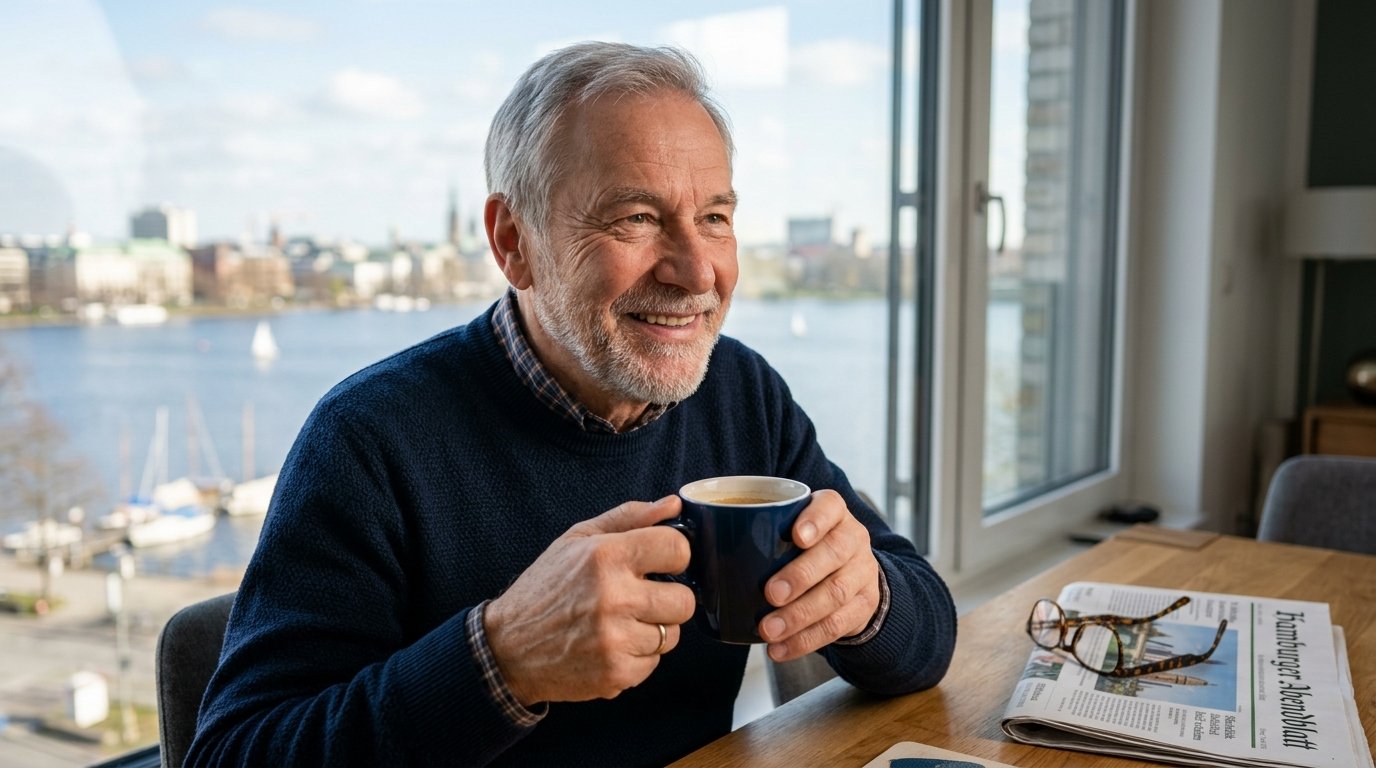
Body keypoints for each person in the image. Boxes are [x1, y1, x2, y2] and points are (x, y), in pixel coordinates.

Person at [187, 41, 957, 767]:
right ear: (513, 240)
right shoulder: (368, 439)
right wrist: (500, 660)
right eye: (637, 219)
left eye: (715, 217)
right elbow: (233, 751)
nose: (696, 272)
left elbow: (930, 632)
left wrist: (868, 599)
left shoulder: (741, 392)